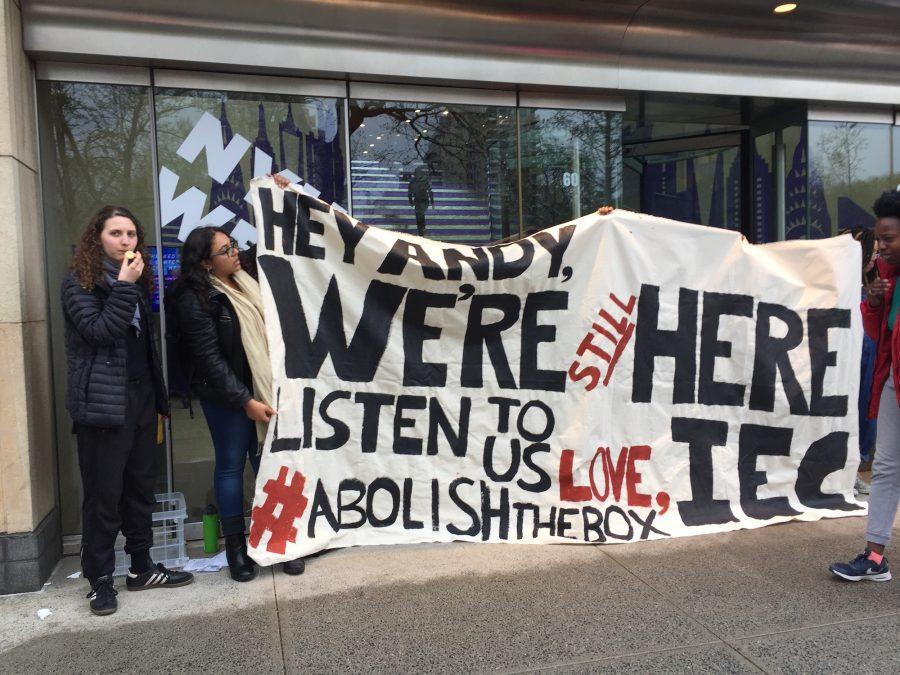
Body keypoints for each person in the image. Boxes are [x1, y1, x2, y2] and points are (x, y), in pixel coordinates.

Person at [62, 206, 194, 616]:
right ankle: (100, 580)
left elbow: (143, 346)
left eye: (131, 234)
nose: (125, 241)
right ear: (96, 238)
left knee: (140, 491)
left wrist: (158, 399)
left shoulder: (135, 281)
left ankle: (141, 568)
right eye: (116, 233)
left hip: (140, 401)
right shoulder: (79, 283)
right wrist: (123, 285)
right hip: (103, 407)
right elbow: (100, 332)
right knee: (104, 497)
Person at [170, 223, 305, 581]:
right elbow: (209, 359)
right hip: (227, 397)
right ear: (205, 263)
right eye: (226, 251)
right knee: (231, 465)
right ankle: (236, 548)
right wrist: (244, 401)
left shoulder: (244, 280)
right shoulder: (194, 298)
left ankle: (277, 540)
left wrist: (283, 199)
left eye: (234, 247)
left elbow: (270, 245)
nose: (235, 254)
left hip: (265, 392)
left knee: (270, 465)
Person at [830, 190, 900, 582]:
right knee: (886, 468)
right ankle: (875, 557)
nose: (881, 248)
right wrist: (874, 304)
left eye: (888, 239)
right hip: (894, 383)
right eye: (879, 239)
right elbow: (879, 334)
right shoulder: (887, 278)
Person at [839, 227, 878, 496]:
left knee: (865, 411)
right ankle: (847, 472)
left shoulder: (870, 285)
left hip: (869, 358)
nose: (876, 257)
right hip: (854, 358)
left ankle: (853, 470)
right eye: (872, 252)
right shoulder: (846, 286)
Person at [408, 166, 434, 237]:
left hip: (423, 201)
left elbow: (430, 192)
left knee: (420, 214)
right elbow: (409, 193)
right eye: (416, 174)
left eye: (418, 173)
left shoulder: (423, 182)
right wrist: (411, 202)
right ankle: (422, 231)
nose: (417, 175)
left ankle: (422, 230)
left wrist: (432, 202)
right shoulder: (413, 183)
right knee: (419, 215)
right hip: (418, 201)